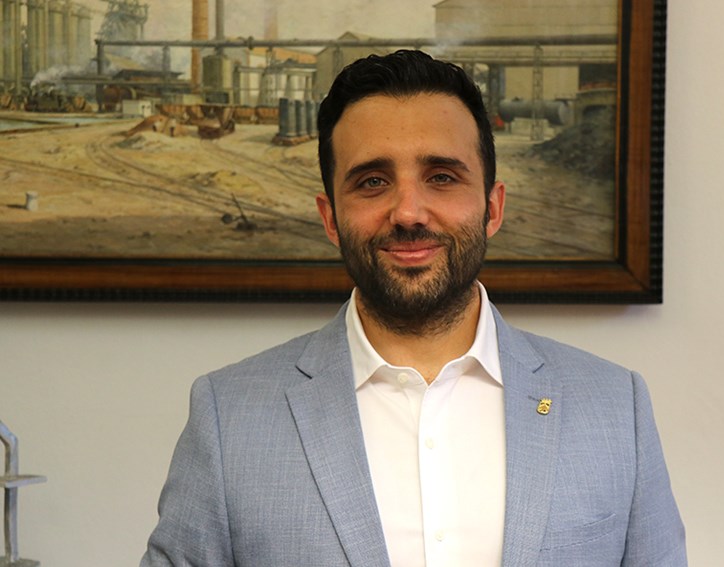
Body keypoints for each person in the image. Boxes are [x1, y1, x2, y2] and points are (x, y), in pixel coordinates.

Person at [141, 50, 686, 566]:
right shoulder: (228, 416)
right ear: (330, 219)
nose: (408, 212)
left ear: (492, 207)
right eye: (373, 181)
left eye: (442, 177)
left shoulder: (616, 407)